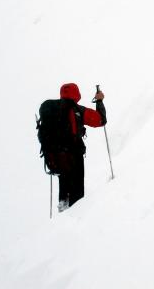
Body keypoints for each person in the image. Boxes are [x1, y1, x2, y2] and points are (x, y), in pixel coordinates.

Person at [52, 82, 107, 211]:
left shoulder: (53, 111)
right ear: (76, 94)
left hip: (58, 156)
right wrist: (99, 101)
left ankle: (63, 208)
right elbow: (101, 120)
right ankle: (76, 216)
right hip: (74, 154)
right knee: (77, 191)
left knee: (64, 184)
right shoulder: (78, 110)